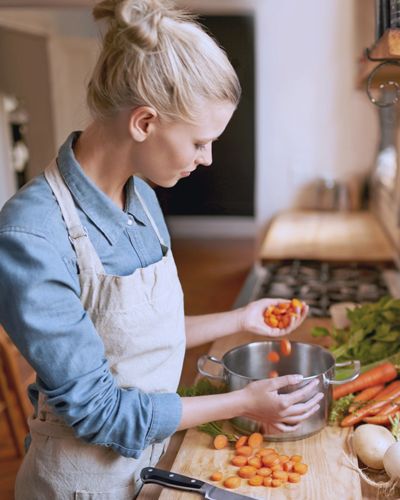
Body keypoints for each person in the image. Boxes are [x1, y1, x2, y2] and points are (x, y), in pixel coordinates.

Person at [0, 1, 323, 498]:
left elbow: (138, 341)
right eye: (199, 142)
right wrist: (242, 401)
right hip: (85, 483)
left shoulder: (144, 198)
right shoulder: (32, 235)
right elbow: (101, 412)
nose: (208, 158)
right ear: (145, 123)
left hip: (157, 464)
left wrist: (241, 320)